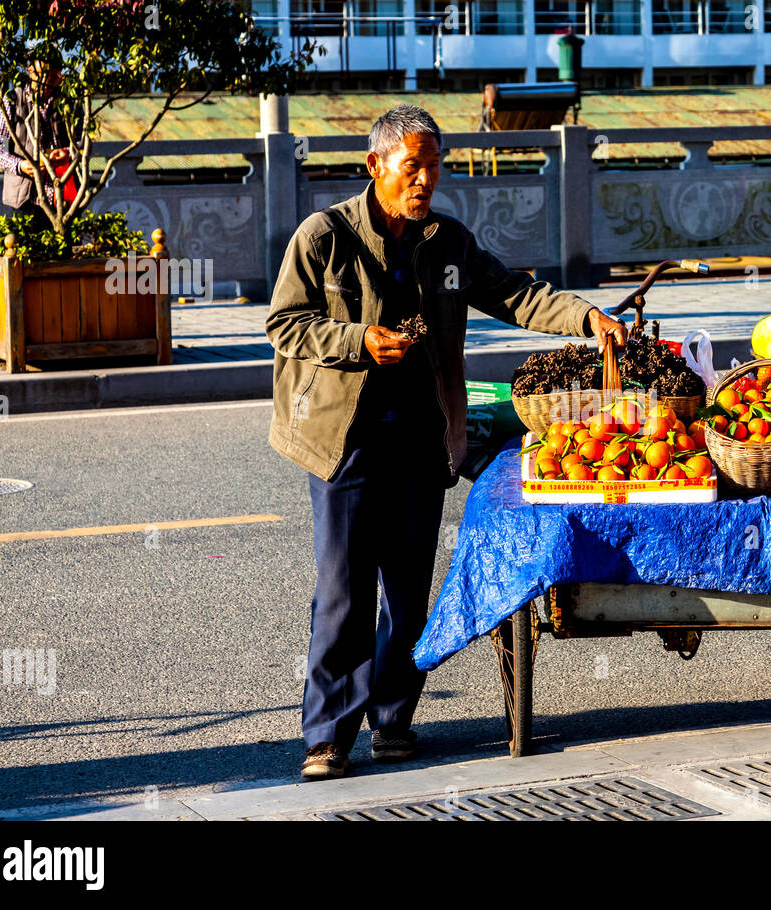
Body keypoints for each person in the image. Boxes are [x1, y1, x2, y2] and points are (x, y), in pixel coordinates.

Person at [265, 104, 628, 780]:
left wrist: (586, 316)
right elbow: (285, 324)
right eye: (412, 167)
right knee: (343, 591)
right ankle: (328, 736)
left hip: (421, 441)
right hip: (341, 442)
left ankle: (392, 719)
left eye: (434, 166)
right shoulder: (325, 237)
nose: (425, 179)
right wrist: (358, 340)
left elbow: (515, 293)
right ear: (374, 166)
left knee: (408, 597)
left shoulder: (447, 243)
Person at [0, 60, 73, 221]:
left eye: (53, 77)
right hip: (24, 199)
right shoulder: (12, 100)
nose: (45, 82)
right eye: (40, 75)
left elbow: (84, 144)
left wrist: (67, 154)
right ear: (30, 71)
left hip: (63, 196)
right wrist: (20, 165)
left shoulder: (69, 101)